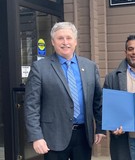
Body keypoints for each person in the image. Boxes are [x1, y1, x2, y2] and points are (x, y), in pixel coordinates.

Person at [24, 22, 106, 160]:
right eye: (60, 38)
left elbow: (98, 100)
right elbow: (31, 105)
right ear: (53, 42)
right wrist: (36, 136)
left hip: (83, 136)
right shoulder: (40, 68)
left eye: (69, 38)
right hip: (53, 136)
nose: (65, 42)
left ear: (75, 42)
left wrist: (100, 127)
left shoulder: (90, 66)